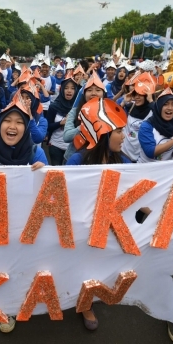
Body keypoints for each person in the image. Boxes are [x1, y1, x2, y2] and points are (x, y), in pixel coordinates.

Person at [0, 94, 47, 333]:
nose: (12, 126)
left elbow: (52, 193)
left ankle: (18, 303)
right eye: (8, 120)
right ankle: (2, 306)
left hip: (25, 228)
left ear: (25, 128)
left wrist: (44, 173)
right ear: (0, 124)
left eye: (19, 122)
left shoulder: (36, 154)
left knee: (20, 268)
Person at [66, 97, 130, 330]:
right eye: (119, 131)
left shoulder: (125, 163)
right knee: (75, 264)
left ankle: (86, 303)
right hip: (78, 227)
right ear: (103, 133)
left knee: (94, 267)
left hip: (107, 230)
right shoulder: (77, 160)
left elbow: (144, 199)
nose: (124, 137)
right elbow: (56, 191)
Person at [62, 71, 107, 162]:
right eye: (89, 90)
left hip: (99, 160)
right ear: (84, 95)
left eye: (98, 90)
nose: (93, 93)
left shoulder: (109, 114)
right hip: (73, 159)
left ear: (103, 94)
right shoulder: (75, 112)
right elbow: (66, 137)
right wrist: (85, 125)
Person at [137, 88, 173, 162]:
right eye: (165, 104)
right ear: (159, 107)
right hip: (146, 170)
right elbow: (150, 152)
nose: (170, 108)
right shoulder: (146, 126)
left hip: (166, 171)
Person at [120, 72, 156, 161]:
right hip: (124, 152)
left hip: (139, 157)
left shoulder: (152, 110)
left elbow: (160, 116)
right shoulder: (131, 106)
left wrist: (151, 101)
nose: (137, 97)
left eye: (141, 95)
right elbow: (114, 115)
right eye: (135, 94)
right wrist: (124, 102)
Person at [45, 71, 79, 165]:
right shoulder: (54, 107)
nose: (69, 91)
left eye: (72, 88)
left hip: (73, 147)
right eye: (66, 88)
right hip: (56, 146)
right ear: (62, 90)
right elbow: (48, 126)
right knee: (57, 175)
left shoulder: (79, 108)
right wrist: (61, 123)